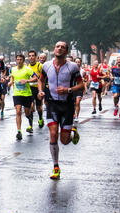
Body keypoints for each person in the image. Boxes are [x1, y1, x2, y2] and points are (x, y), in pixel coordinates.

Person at [37, 41, 84, 180]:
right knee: (52, 133)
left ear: (66, 51)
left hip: (67, 105)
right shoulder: (46, 66)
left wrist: (68, 90)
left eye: (63, 47)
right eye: (58, 46)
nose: (60, 48)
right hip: (52, 104)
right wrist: (40, 91)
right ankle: (56, 167)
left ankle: (72, 132)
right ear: (54, 49)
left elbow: (81, 85)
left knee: (64, 141)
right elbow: (41, 80)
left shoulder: (73, 67)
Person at [9, 54, 38, 140]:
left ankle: (30, 121)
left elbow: (36, 78)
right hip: (17, 94)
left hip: (27, 94)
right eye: (17, 59)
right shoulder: (13, 69)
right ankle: (19, 131)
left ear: (23, 60)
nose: (19, 61)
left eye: (20, 59)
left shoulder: (27, 69)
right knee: (18, 111)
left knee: (27, 113)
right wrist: (10, 82)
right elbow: (12, 78)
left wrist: (27, 80)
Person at [28, 50, 45, 128]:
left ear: (36, 57)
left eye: (33, 56)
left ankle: (40, 118)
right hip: (30, 89)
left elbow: (44, 78)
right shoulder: (27, 67)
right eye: (30, 56)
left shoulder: (40, 66)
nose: (31, 57)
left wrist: (41, 90)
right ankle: (30, 125)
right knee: (30, 107)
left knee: (38, 107)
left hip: (38, 88)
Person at [73, 57, 85, 122]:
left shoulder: (83, 71)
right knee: (73, 103)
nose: (77, 63)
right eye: (76, 62)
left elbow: (85, 79)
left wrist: (83, 80)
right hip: (73, 88)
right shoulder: (71, 70)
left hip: (79, 89)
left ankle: (77, 116)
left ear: (80, 63)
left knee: (77, 102)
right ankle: (73, 114)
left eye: (78, 62)